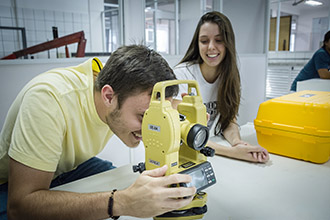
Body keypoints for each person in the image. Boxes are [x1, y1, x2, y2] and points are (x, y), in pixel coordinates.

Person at [0, 45, 196, 219]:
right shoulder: (47, 100)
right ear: (108, 96)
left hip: (70, 165)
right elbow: (19, 208)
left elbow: (161, 107)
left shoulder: (116, 82)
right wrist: (121, 202)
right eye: (143, 118)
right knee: (122, 200)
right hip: (10, 183)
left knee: (131, 185)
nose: (149, 129)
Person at [172, 11, 269, 163]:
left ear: (228, 43)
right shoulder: (181, 75)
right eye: (204, 41)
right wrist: (232, 152)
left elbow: (229, 121)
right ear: (197, 44)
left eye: (219, 40)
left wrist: (237, 143)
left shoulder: (229, 76)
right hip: (181, 156)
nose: (211, 47)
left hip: (206, 152)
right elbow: (181, 132)